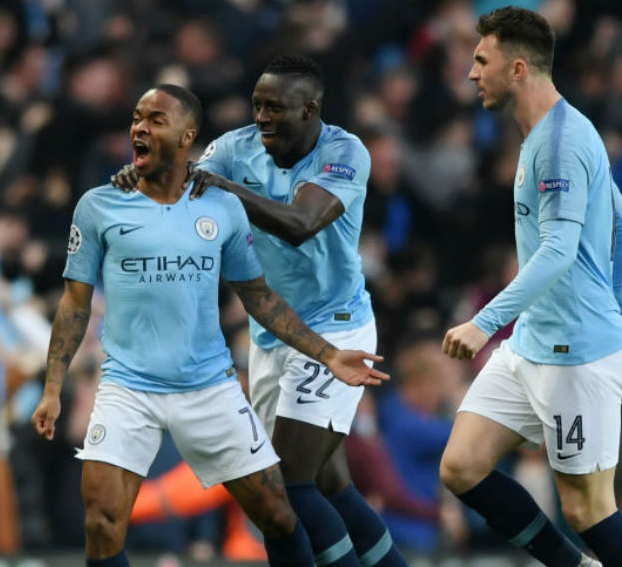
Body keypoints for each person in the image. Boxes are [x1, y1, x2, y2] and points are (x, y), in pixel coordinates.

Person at [31, 84, 389, 567]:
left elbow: (257, 296)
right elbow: (75, 304)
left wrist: (327, 354)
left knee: (280, 515)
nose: (140, 127)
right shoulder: (99, 205)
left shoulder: (221, 208)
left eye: (156, 120)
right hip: (127, 386)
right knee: (101, 521)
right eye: (137, 117)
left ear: (187, 137)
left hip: (208, 387)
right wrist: (54, 387)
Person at [114, 55, 407, 567]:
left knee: (289, 484)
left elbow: (301, 223)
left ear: (310, 110)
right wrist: (145, 181)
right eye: (257, 105)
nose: (263, 117)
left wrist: (224, 190)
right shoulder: (235, 148)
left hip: (335, 329)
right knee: (326, 485)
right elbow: (183, 189)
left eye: (275, 107)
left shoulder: (344, 152)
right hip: (273, 335)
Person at [438, 7, 622, 567]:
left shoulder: (559, 143)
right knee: (461, 466)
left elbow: (558, 249)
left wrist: (484, 322)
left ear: (516, 69)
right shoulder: (555, 132)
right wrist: (613, 311)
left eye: (480, 61)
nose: (470, 73)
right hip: (534, 344)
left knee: (589, 511)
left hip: (574, 356)